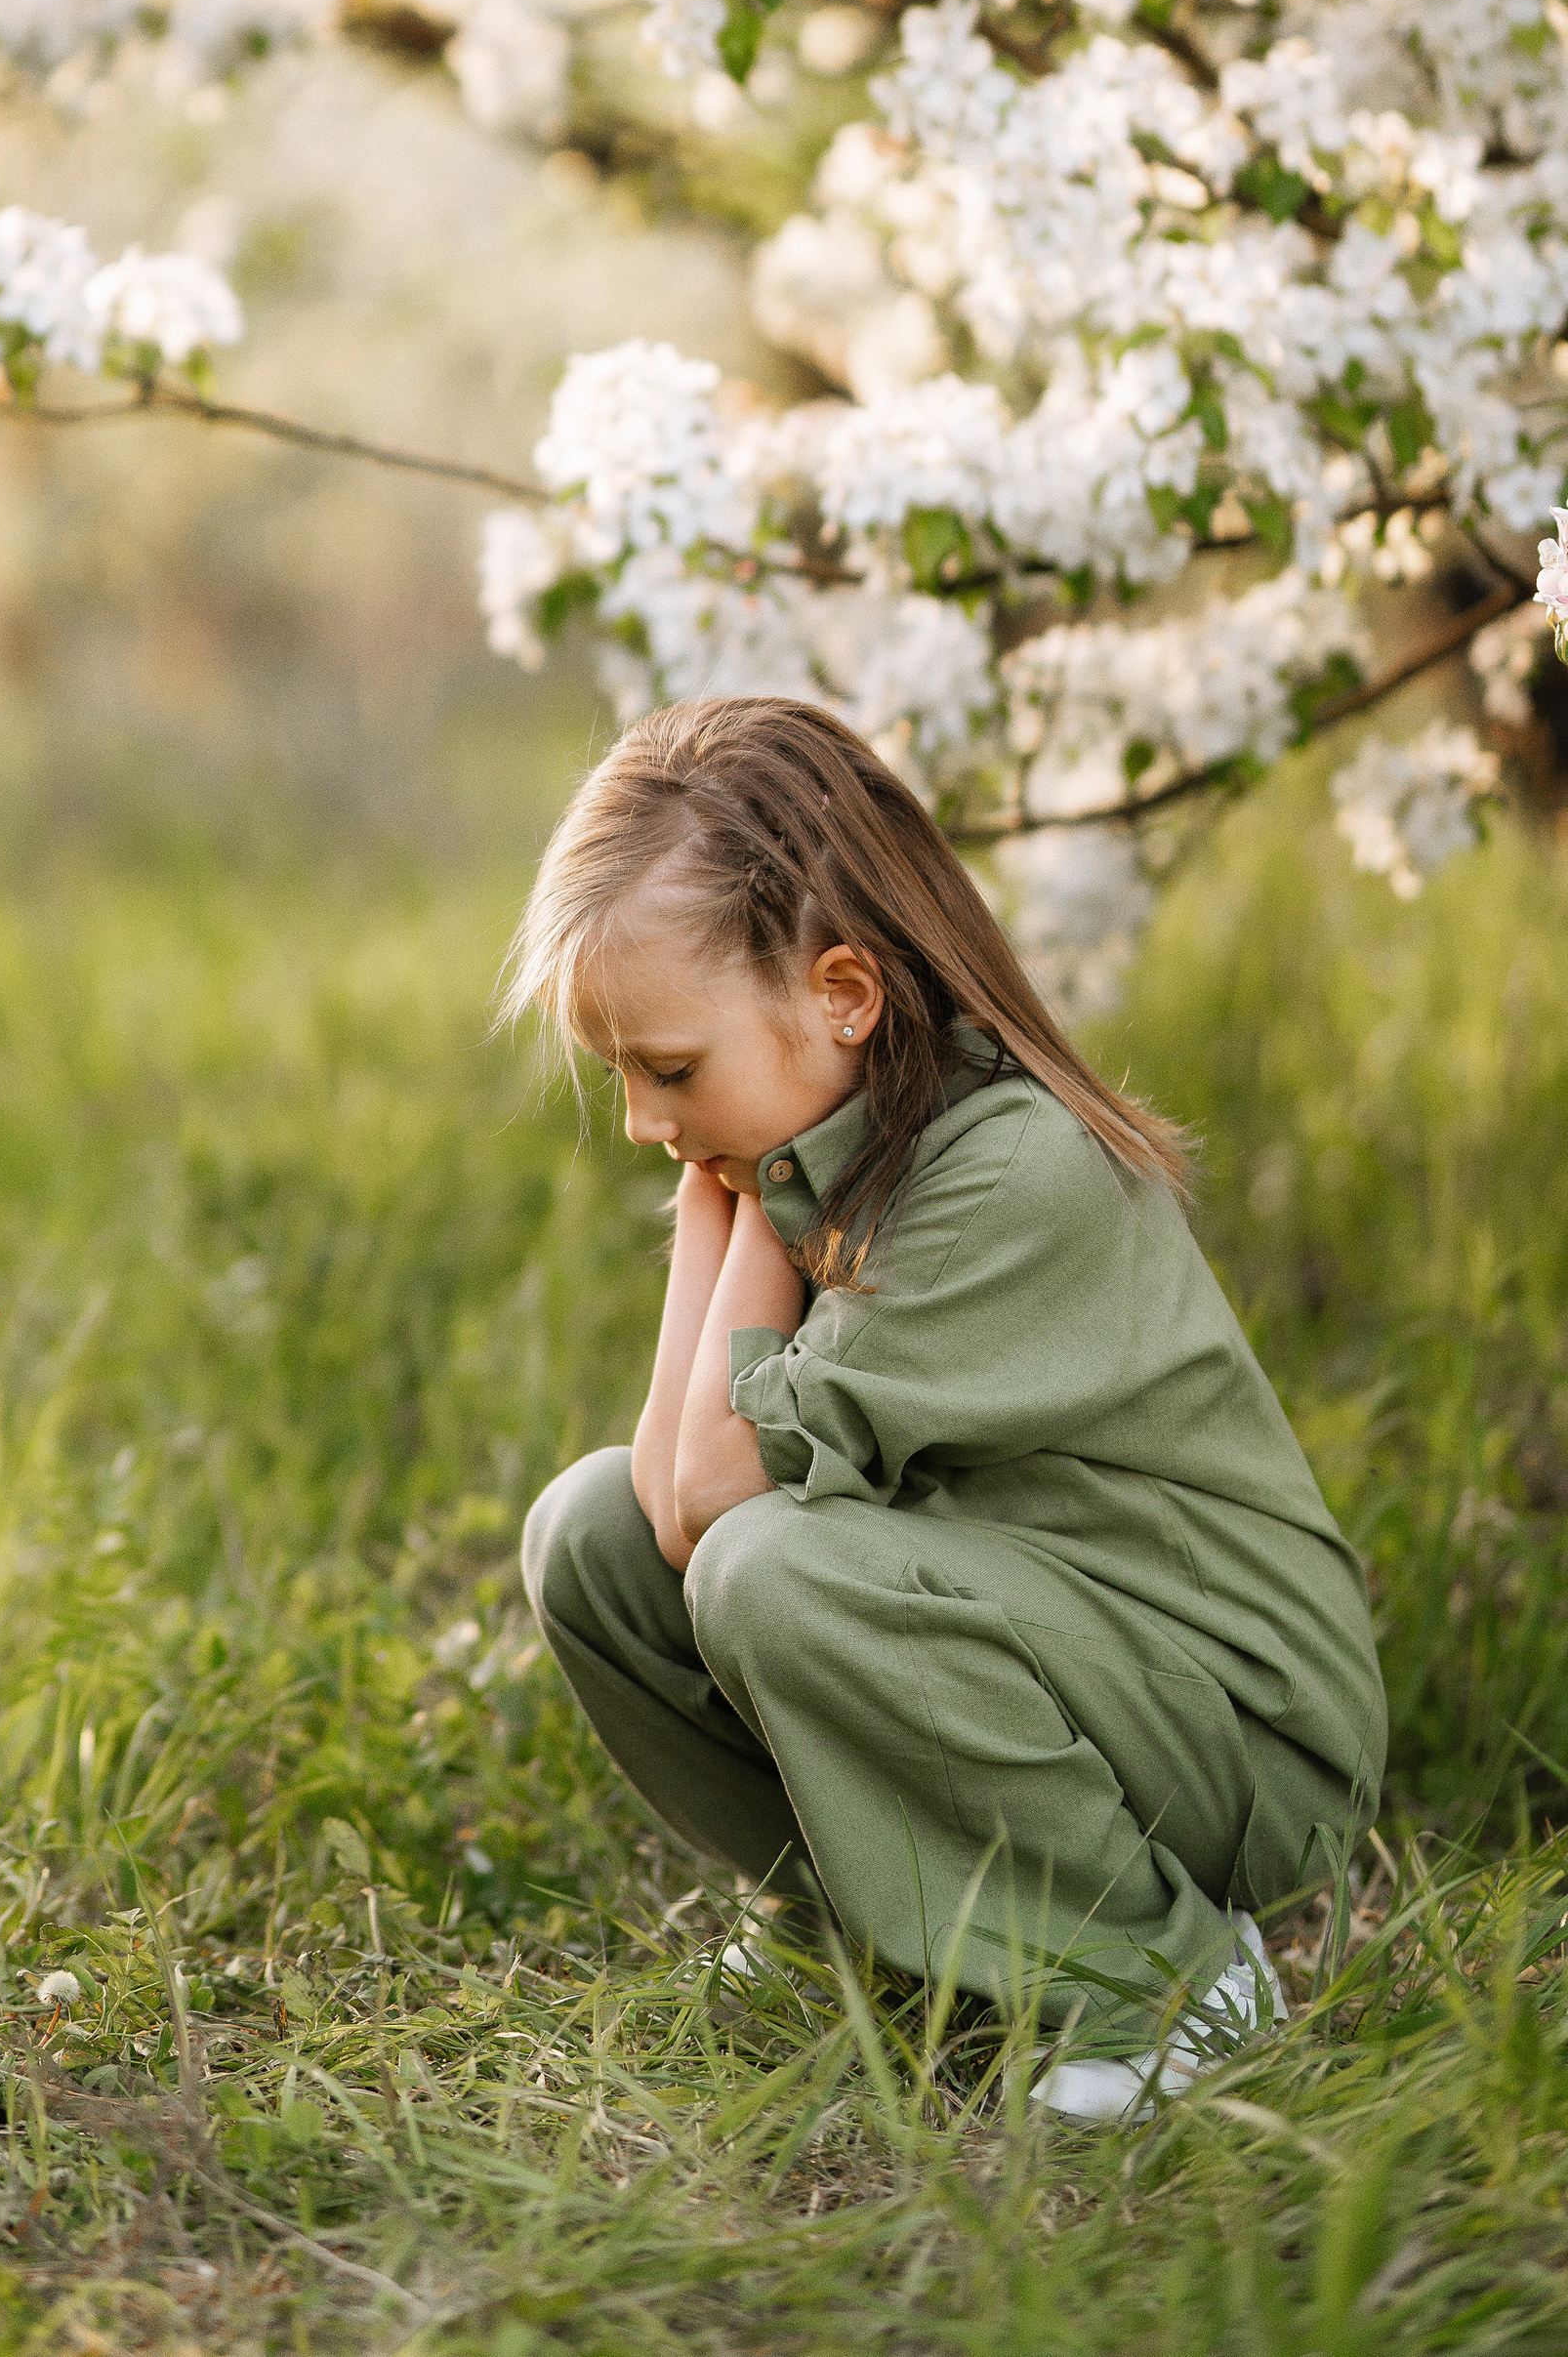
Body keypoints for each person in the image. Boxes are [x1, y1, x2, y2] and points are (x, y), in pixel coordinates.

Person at [512, 696, 1384, 2125]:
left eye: (669, 1069)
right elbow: (662, 1502)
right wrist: (722, 1177)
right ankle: (861, 1921)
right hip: (1047, 1658)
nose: (641, 1120)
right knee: (584, 1534)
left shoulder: (1009, 1173)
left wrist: (742, 1188)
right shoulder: (828, 1143)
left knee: (766, 1565)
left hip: (1237, 1734)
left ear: (844, 995)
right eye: (622, 1075)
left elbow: (717, 1499)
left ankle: (1163, 1975)